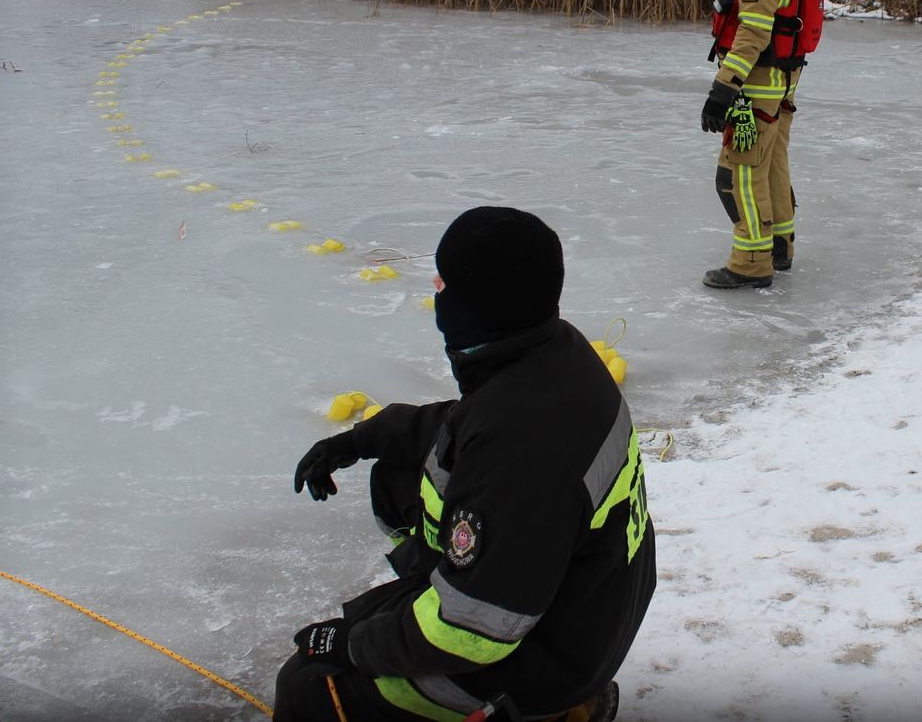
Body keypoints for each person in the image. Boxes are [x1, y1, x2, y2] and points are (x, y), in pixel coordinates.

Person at [275, 206, 656, 722]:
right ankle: (454, 585)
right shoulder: (553, 351)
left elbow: (471, 632)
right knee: (396, 474)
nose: (437, 293)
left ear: (475, 304)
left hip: (550, 661)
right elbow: (465, 425)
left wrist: (353, 645)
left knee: (308, 687)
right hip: (590, 603)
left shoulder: (522, 447)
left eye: (443, 282)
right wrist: (362, 439)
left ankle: (560, 712)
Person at [700, 0, 819, 289]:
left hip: (756, 86)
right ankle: (780, 246)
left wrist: (723, 89)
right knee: (772, 168)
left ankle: (751, 261)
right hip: (783, 83)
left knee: (738, 176)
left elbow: (752, 32)